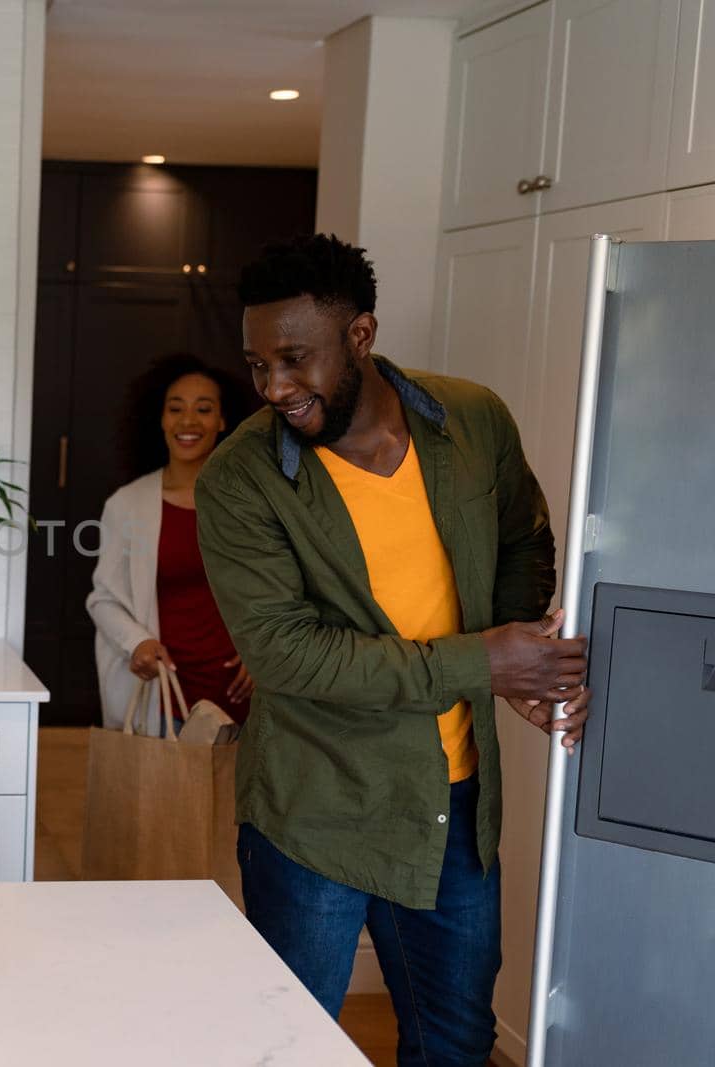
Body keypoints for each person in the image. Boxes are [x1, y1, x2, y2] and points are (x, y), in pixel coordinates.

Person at [194, 233, 592, 1066]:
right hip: (315, 809)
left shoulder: (472, 420)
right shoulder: (241, 478)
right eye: (257, 363)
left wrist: (525, 655)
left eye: (295, 359)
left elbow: (525, 537)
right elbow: (287, 656)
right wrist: (483, 662)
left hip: (454, 806)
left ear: (362, 336)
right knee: (286, 1046)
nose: (273, 387)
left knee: (454, 1042)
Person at [87, 353, 255, 730]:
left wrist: (263, 653)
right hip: (166, 691)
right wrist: (137, 643)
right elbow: (103, 599)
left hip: (243, 694)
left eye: (204, 409)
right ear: (161, 419)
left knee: (237, 791)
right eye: (175, 408)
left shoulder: (251, 502)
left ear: (223, 421)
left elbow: (280, 591)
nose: (188, 421)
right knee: (167, 790)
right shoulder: (127, 505)